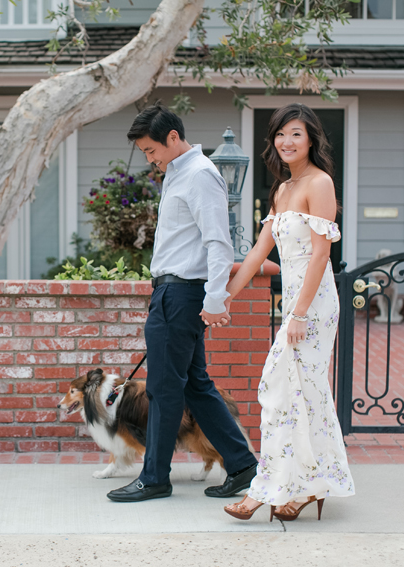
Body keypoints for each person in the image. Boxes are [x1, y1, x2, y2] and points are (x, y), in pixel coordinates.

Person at [107, 104, 259, 503]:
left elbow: (218, 242)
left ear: (172, 138)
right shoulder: (177, 174)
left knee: (162, 387)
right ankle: (243, 465)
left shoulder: (200, 175)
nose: (149, 159)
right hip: (171, 292)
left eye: (150, 150)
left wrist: (214, 299)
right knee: (194, 385)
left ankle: (155, 476)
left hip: (181, 294)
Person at [217, 103, 355, 521]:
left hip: (313, 307)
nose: (286, 141)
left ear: (311, 138)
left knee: (285, 391)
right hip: (297, 304)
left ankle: (268, 489)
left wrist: (296, 314)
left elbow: (319, 257)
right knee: (301, 396)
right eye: (280, 134)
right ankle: (307, 485)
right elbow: (259, 250)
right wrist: (226, 297)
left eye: (295, 133)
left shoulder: (321, 183)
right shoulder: (280, 189)